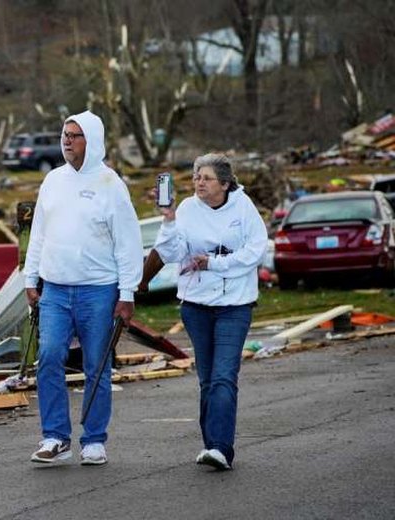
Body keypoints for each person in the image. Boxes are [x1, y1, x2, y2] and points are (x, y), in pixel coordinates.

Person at [23, 110, 143, 465]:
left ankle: (94, 439)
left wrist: (127, 293)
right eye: (65, 134)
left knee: (96, 365)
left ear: (91, 141)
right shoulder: (53, 181)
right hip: (56, 290)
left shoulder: (111, 185)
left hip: (99, 290)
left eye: (75, 135)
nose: (67, 141)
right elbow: (39, 234)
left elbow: (128, 243)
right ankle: (55, 438)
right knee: (48, 357)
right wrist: (31, 278)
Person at [153, 153, 268, 470]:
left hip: (234, 306)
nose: (198, 182)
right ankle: (212, 445)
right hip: (197, 306)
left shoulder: (243, 208)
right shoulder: (188, 209)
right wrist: (168, 218)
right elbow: (172, 252)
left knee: (223, 377)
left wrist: (216, 263)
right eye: (195, 177)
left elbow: (255, 250)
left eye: (205, 178)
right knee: (207, 380)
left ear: (225, 183)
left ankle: (221, 447)